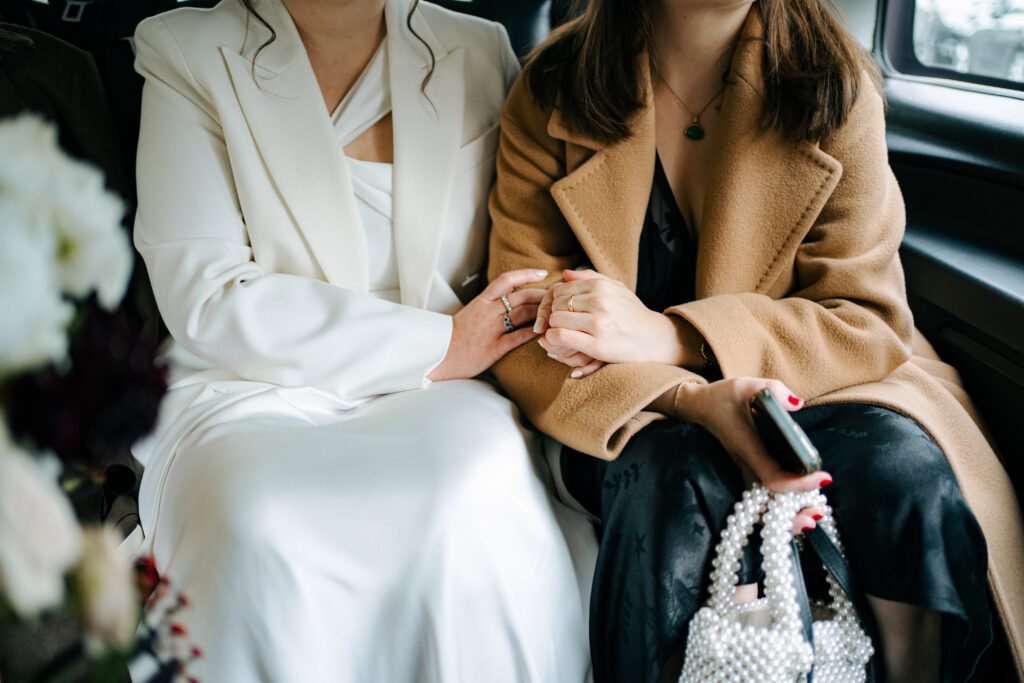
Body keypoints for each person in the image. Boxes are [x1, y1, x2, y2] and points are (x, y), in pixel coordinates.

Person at [487, 0, 1024, 681]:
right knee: (675, 476)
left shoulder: (836, 84)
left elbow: (863, 316)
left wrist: (670, 335)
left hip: (814, 384)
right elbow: (517, 319)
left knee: (906, 477)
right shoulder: (555, 84)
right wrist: (690, 397)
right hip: (628, 407)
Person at [130, 0, 593, 680]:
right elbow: (206, 294)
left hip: (448, 390)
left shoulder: (479, 46)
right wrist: (439, 343)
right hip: (246, 382)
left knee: (469, 498)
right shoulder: (185, 51)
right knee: (255, 519)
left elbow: (523, 251)